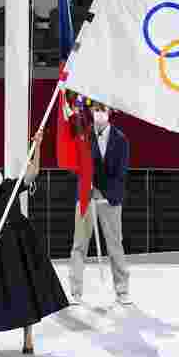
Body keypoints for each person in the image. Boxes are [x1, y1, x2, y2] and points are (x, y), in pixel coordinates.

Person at [0, 130, 69, 352]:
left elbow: (33, 173)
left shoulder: (9, 187)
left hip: (20, 244)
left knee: (24, 288)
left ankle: (28, 339)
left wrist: (38, 146)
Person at [70, 100, 132, 306]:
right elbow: (75, 165)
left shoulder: (121, 139)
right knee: (79, 245)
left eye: (103, 110)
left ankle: (122, 289)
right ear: (90, 111)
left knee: (115, 244)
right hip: (86, 196)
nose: (99, 113)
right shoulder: (83, 136)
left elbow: (121, 173)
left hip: (110, 198)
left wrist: (101, 190)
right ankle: (75, 291)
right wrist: (89, 187)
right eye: (96, 109)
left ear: (110, 113)